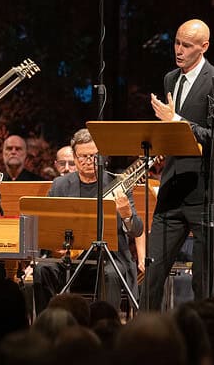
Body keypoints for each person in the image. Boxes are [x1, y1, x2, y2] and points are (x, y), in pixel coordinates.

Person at [143, 19, 214, 310]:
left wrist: (177, 122)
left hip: (207, 193)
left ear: (204, 47)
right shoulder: (171, 79)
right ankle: (142, 339)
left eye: (187, 45)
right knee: (153, 271)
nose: (179, 50)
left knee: (203, 280)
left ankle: (206, 342)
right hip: (173, 188)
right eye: (177, 43)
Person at [33, 128, 143, 314]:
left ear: (102, 157)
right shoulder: (60, 185)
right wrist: (54, 246)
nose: (88, 161)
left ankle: (106, 329)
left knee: (112, 274)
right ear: (75, 158)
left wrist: (126, 214)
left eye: (93, 156)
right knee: (42, 269)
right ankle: (49, 326)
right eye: (83, 156)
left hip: (108, 259)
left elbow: (137, 230)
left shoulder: (117, 184)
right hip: (71, 258)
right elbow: (47, 227)